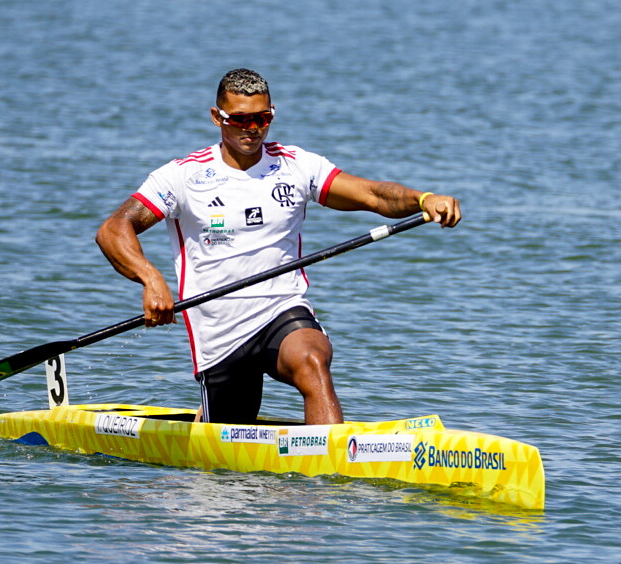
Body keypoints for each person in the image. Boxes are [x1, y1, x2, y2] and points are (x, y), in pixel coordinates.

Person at [96, 68, 460, 426]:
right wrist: (151, 279)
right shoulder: (182, 176)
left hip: (280, 308)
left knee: (312, 360)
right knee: (228, 435)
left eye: (262, 118)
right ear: (216, 117)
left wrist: (423, 198)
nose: (252, 130)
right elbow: (114, 229)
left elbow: (370, 194)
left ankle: (333, 476)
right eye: (240, 120)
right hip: (219, 332)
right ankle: (205, 422)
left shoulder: (296, 165)